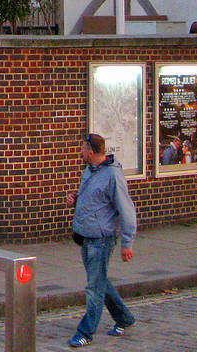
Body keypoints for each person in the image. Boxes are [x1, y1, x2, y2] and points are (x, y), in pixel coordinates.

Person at [64, 133, 137, 347]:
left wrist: (127, 243)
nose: (80, 152)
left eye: (82, 148)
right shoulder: (89, 171)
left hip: (102, 240)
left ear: (91, 151)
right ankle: (124, 318)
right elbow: (93, 199)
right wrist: (75, 199)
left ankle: (85, 332)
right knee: (100, 281)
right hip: (85, 237)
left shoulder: (113, 176)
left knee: (94, 287)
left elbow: (127, 210)